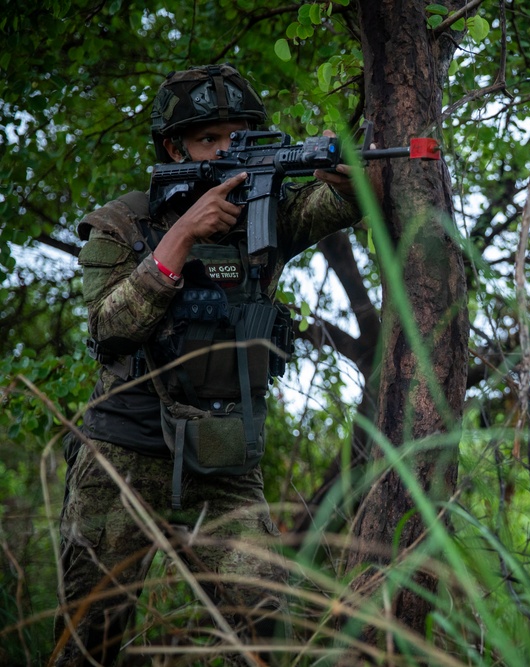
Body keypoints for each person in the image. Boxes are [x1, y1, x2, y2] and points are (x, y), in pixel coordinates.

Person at [51, 63, 361, 665]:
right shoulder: (121, 226)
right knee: (89, 644)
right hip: (122, 457)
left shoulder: (264, 212)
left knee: (268, 632)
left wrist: (346, 172)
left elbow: (344, 202)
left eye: (238, 136)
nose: (227, 151)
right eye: (209, 139)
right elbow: (109, 330)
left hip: (224, 460)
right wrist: (185, 235)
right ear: (174, 148)